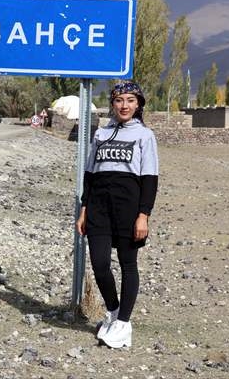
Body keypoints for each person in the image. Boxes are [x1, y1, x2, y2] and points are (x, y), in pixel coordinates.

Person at [77, 81, 159, 349]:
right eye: (119, 100)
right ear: (112, 103)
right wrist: (84, 210)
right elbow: (89, 175)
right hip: (99, 208)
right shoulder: (101, 133)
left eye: (130, 100)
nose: (125, 105)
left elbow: (149, 179)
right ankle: (113, 312)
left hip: (129, 209)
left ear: (139, 105)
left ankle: (124, 324)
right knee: (99, 263)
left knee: (127, 265)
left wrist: (143, 215)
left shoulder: (145, 136)